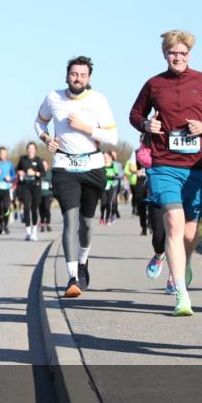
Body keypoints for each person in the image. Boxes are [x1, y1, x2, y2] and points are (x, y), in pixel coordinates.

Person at [130, 30, 202, 317]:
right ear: (165, 54)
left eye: (182, 53)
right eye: (173, 53)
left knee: (189, 233)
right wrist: (146, 125)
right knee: (174, 223)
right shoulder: (154, 84)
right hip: (164, 165)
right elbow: (135, 114)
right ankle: (181, 295)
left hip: (198, 167)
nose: (178, 57)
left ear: (189, 55)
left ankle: (183, 264)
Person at [35, 56, 117, 297]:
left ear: (88, 78)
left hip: (92, 167)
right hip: (64, 167)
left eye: (82, 75)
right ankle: (72, 277)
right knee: (70, 221)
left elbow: (112, 137)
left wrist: (85, 127)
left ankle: (83, 261)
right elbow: (39, 122)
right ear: (67, 75)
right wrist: (46, 139)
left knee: (87, 224)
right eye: (74, 74)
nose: (78, 78)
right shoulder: (53, 97)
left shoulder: (98, 100)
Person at [137, 139, 174, 293]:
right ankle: (159, 255)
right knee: (159, 237)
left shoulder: (182, 133)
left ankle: (173, 278)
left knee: (174, 237)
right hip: (156, 191)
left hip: (178, 190)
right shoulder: (153, 134)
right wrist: (163, 161)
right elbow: (142, 155)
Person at [16, 142, 45, 240]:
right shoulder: (22, 159)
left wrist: (35, 173)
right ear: (27, 149)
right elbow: (17, 169)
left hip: (36, 186)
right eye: (29, 148)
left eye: (32, 148)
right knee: (26, 208)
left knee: (34, 209)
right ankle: (28, 232)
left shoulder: (38, 160)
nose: (30, 150)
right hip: (25, 186)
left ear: (35, 150)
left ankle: (34, 231)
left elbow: (43, 173)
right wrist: (20, 172)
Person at [0, 146, 16, 234]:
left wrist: (10, 178)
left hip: (6, 189)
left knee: (6, 207)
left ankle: (6, 225)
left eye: (5, 154)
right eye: (2, 153)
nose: (4, 155)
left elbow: (14, 175)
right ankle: (1, 226)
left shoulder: (9, 164)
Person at [100, 150, 119, 226]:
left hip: (111, 185)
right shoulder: (101, 165)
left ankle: (108, 218)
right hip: (103, 186)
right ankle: (102, 217)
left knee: (108, 203)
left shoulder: (113, 165)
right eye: (104, 156)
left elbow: (116, 175)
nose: (105, 157)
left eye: (106, 156)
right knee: (103, 203)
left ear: (110, 157)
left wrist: (112, 176)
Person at [38, 158, 54, 232]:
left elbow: (54, 182)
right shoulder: (38, 173)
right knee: (41, 209)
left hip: (49, 193)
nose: (44, 166)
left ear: (47, 165)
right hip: (40, 193)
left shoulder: (50, 173)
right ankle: (42, 223)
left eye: (45, 165)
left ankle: (48, 223)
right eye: (42, 165)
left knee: (47, 208)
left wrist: (51, 185)